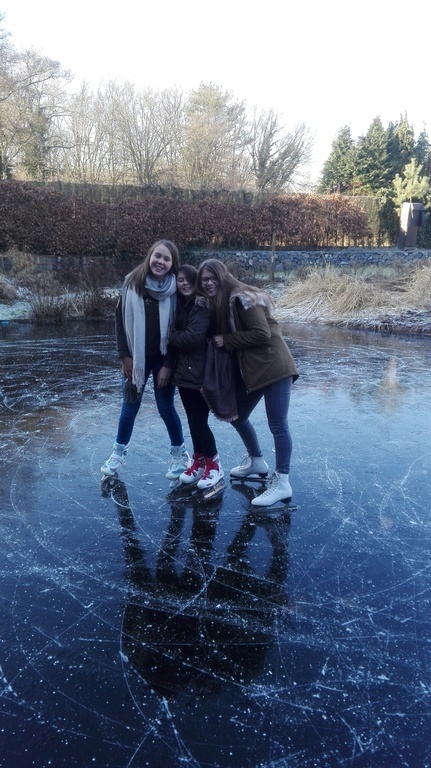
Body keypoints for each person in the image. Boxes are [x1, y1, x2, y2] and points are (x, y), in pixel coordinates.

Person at [196, 258, 298, 507]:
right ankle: (257, 462)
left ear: (223, 277)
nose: (208, 283)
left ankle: (283, 483)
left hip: (274, 366)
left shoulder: (242, 298)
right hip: (255, 370)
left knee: (277, 424)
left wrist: (227, 341)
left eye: (212, 278)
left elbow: (262, 333)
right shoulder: (223, 302)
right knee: (238, 416)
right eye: (204, 280)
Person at [101, 240, 190, 480]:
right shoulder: (131, 283)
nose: (160, 261)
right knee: (129, 408)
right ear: (149, 255)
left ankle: (179, 453)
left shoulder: (175, 290)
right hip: (135, 360)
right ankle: (118, 452)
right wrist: (124, 356)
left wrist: (168, 366)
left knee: (165, 408)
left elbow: (176, 332)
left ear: (173, 264)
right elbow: (119, 321)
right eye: (157, 256)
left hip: (163, 359)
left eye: (167, 259)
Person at [159, 265, 224, 491]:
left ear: (195, 282)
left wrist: (169, 336)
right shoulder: (183, 306)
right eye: (180, 280)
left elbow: (193, 338)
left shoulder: (201, 305)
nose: (184, 283)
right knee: (192, 420)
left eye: (188, 280)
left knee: (199, 421)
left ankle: (214, 464)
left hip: (199, 373)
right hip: (184, 374)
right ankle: (198, 460)